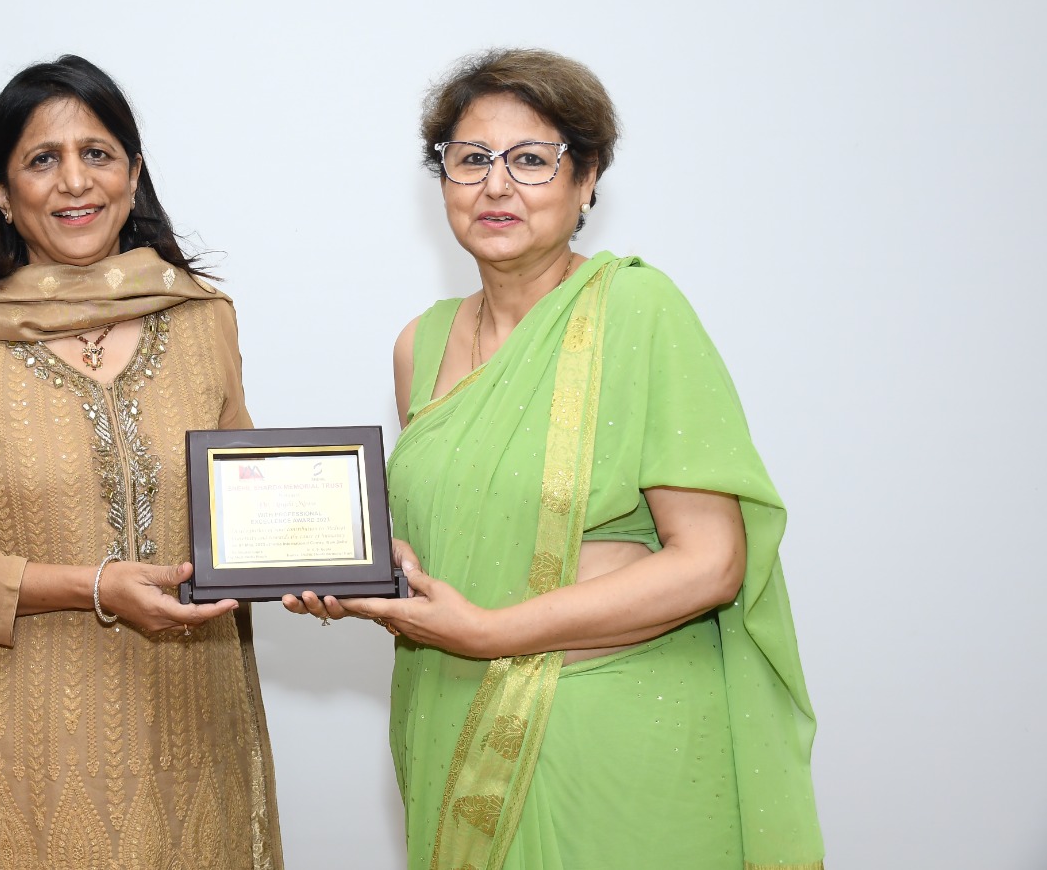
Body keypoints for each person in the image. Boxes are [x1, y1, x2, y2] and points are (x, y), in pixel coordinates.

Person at [286, 49, 824, 869]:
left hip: (611, 739)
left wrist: (490, 632)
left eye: (531, 160)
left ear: (588, 179)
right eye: (470, 160)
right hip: (454, 718)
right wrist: (373, 573)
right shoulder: (420, 345)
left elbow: (713, 563)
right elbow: (463, 533)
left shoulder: (638, 310)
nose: (496, 186)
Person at [0, 55, 283, 870]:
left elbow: (246, 509)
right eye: (42, 160)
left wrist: (334, 560)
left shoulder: (202, 319)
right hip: (11, 761)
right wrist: (89, 585)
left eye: (97, 153)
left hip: (190, 745)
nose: (74, 181)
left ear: (134, 173)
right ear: (1, 191)